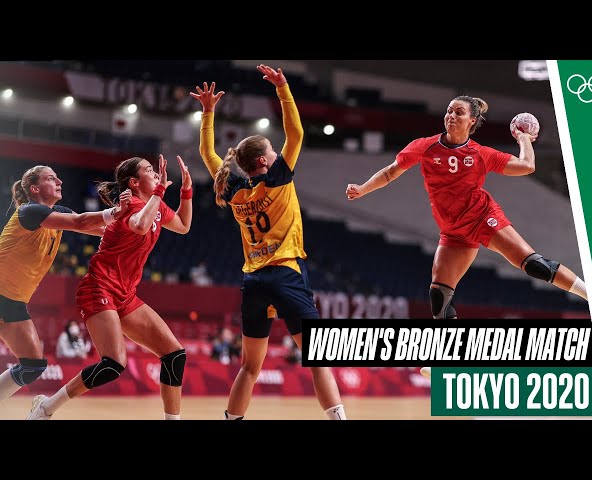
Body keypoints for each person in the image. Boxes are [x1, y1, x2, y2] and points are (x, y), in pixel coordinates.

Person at [191, 65, 346, 420]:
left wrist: (208, 113)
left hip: (254, 281)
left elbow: (208, 155)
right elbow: (296, 131)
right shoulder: (277, 179)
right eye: (273, 151)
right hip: (286, 275)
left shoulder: (234, 192)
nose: (279, 152)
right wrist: (283, 88)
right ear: (263, 161)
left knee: (250, 367)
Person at [346, 95, 588, 318]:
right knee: (439, 299)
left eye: (458, 112)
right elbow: (390, 173)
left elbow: (527, 166)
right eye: (449, 111)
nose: (451, 116)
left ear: (472, 121)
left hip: (482, 218)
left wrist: (524, 139)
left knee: (535, 265)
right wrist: (362, 188)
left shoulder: (481, 154)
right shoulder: (424, 146)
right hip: (452, 231)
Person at [26, 154, 193, 420]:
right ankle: (46, 408)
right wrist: (160, 191)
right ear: (135, 182)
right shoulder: (131, 207)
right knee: (113, 364)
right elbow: (139, 226)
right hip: (99, 287)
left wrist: (186, 191)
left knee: (175, 355)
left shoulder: (155, 206)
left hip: (125, 295)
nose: (156, 174)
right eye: (150, 171)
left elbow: (184, 226)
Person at [0, 165, 130, 404]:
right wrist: (117, 211)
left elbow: (101, 229)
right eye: (51, 178)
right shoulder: (29, 211)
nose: (59, 181)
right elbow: (81, 222)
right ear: (35, 188)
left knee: (32, 366)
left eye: (58, 177)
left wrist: (137, 224)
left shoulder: (58, 212)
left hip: (13, 303)